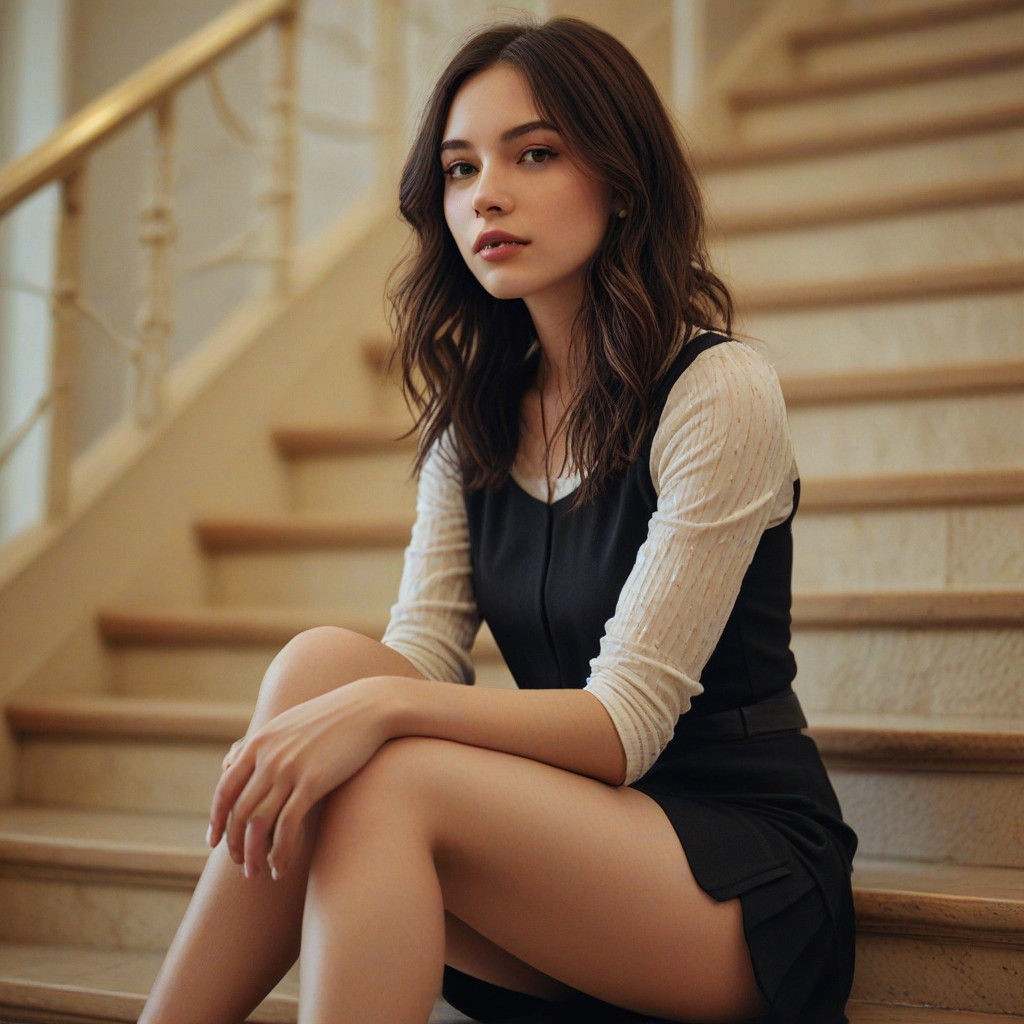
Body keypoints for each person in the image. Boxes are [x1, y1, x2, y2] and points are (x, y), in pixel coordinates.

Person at [140, 16, 857, 1024]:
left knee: (387, 765)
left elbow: (622, 726)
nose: (488, 194)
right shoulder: (476, 416)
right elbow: (421, 657)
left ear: (619, 177)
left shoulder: (716, 389)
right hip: (564, 847)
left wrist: (381, 714)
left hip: (734, 877)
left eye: (534, 152)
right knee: (317, 670)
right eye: (460, 168)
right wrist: (365, 701)